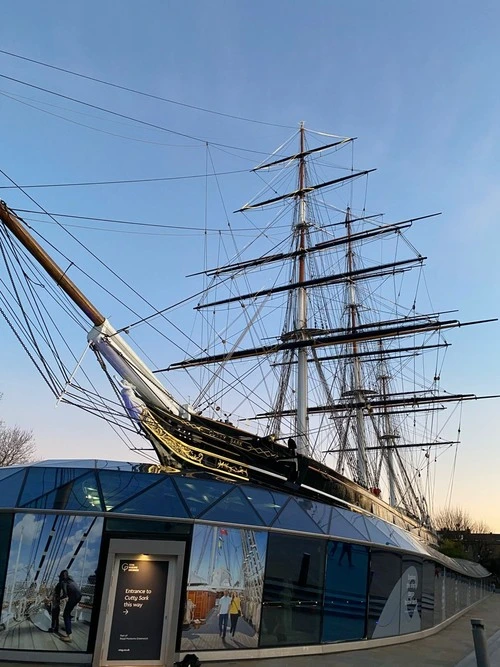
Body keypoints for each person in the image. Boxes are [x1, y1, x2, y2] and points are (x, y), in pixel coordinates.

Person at [58, 570, 82, 642]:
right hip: (78, 596)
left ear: (61, 576)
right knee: (68, 613)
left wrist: (59, 598)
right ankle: (68, 627)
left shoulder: (64, 582)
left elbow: (65, 594)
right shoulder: (71, 580)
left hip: (74, 597)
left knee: (66, 615)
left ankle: (69, 636)